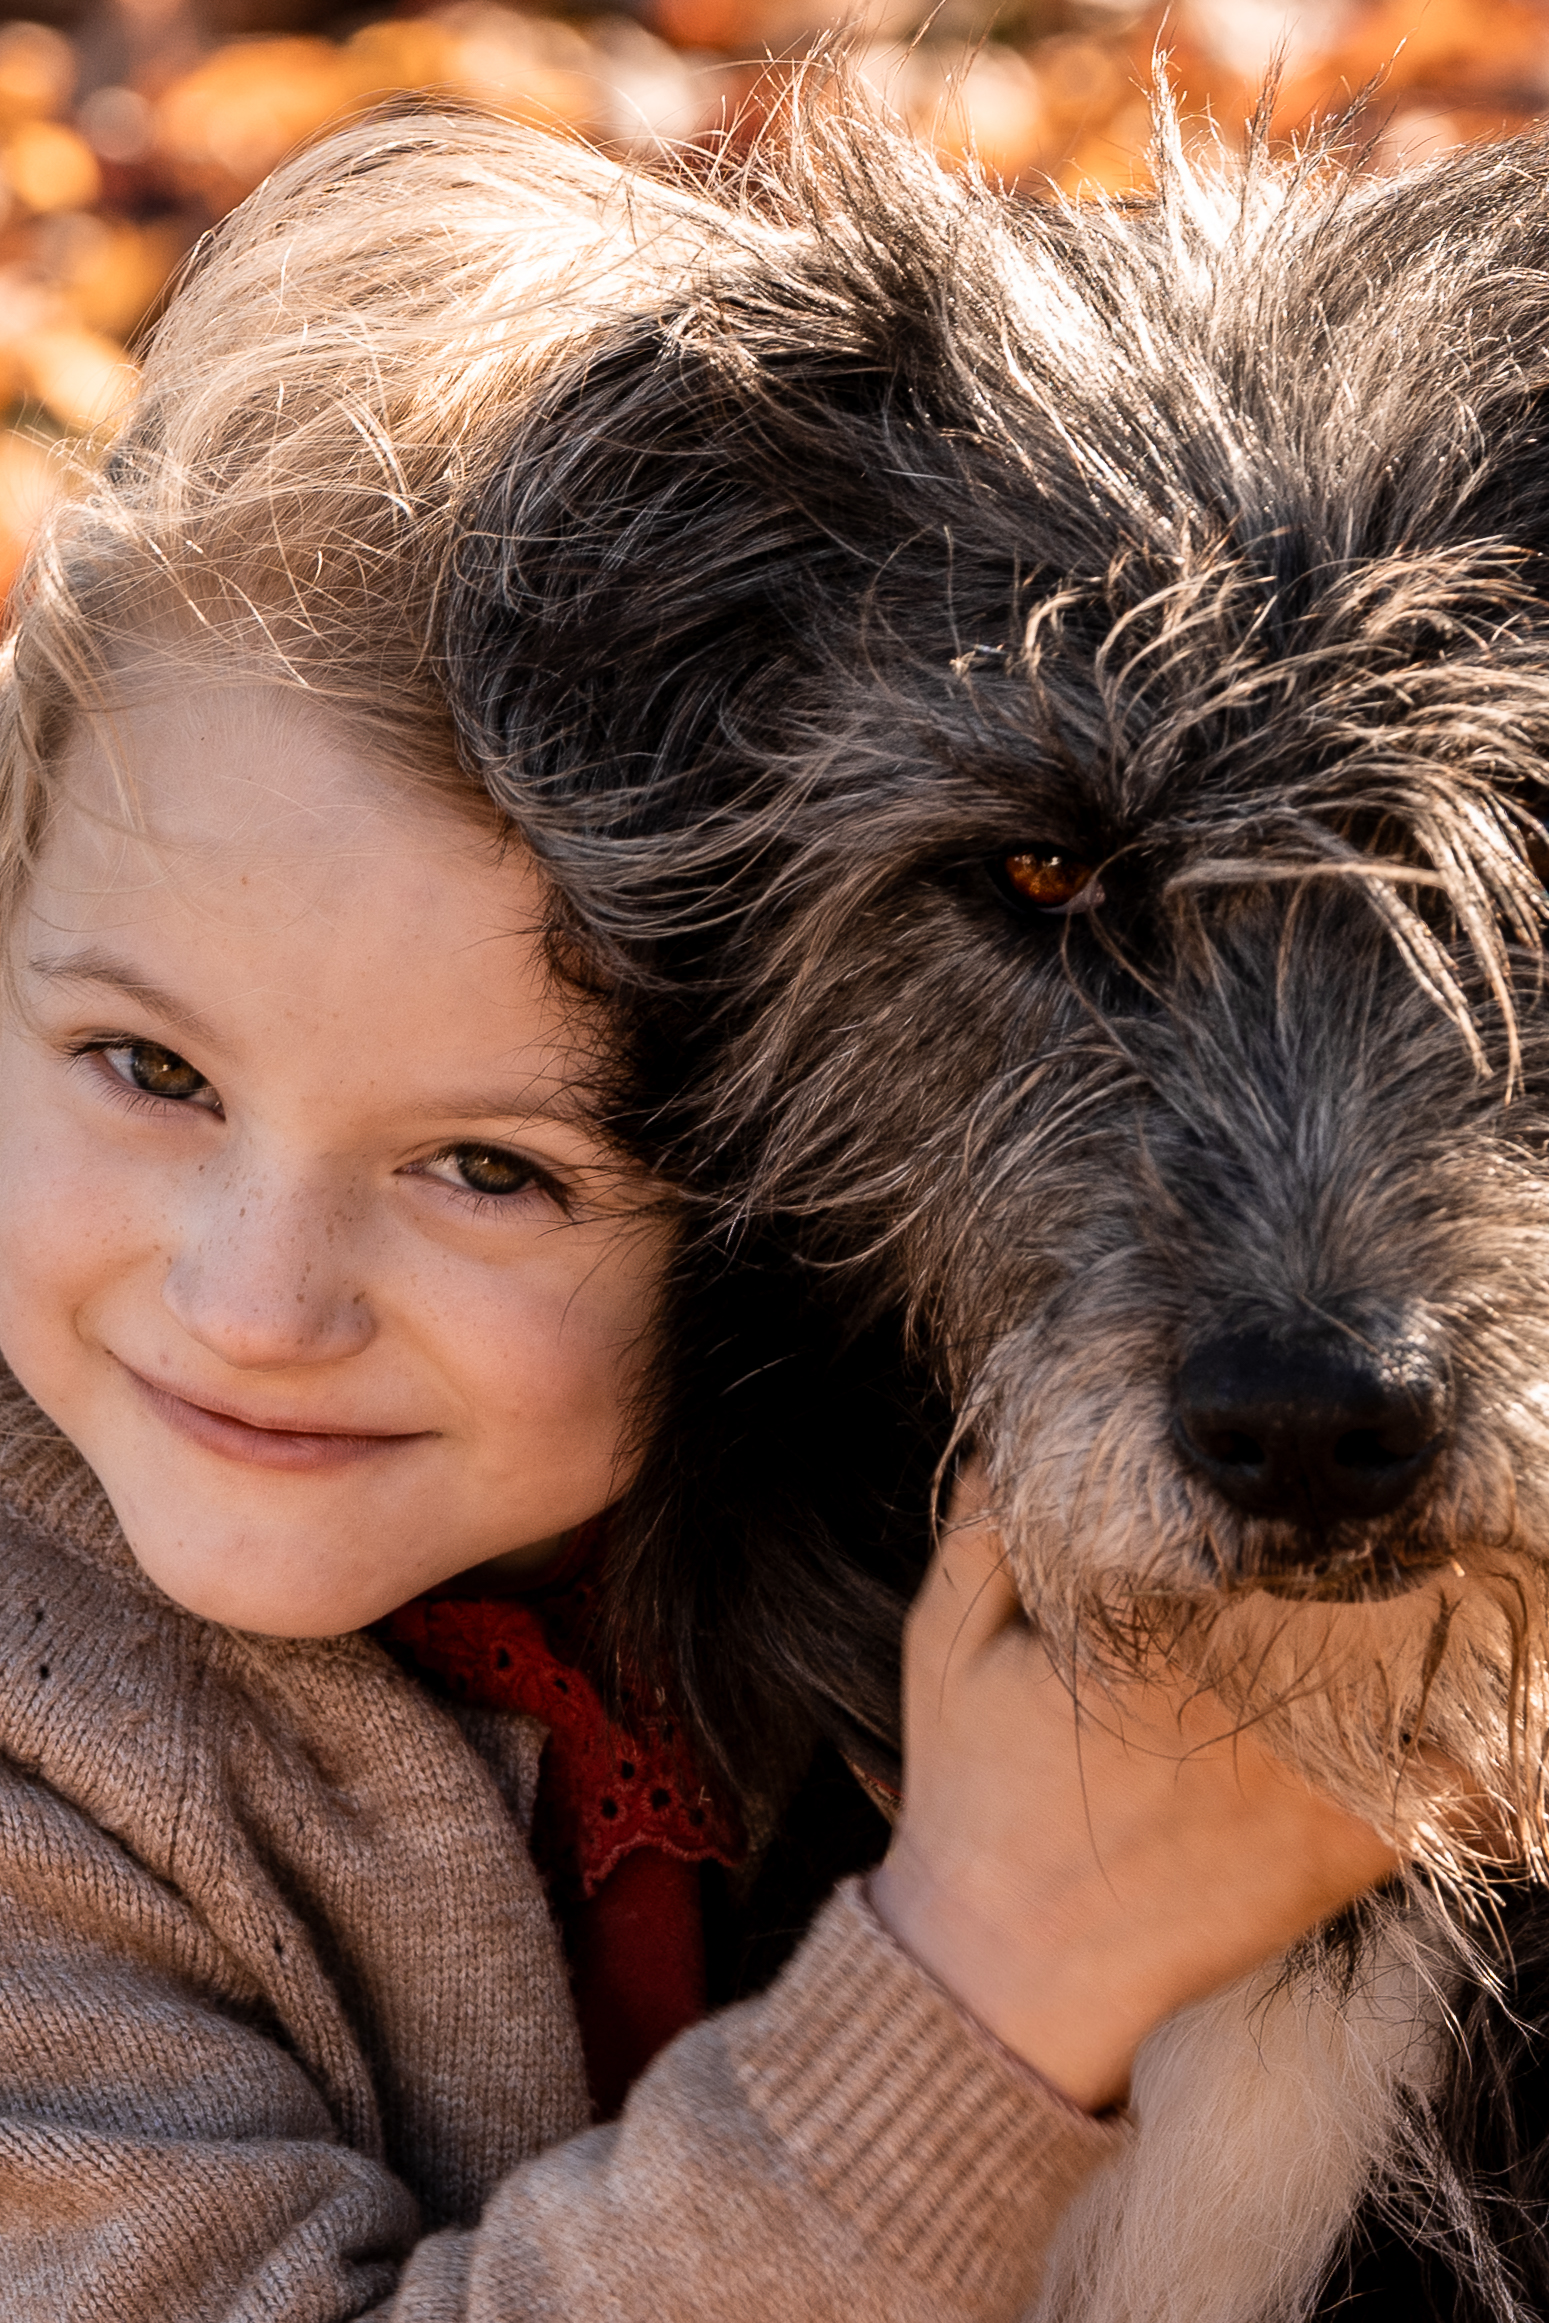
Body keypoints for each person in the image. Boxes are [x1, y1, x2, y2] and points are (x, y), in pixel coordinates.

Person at [0, 104, 1394, 2320]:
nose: (249, 1302)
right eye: (149, 1072)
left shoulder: (811, 1471)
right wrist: (994, 1983)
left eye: (493, 1167)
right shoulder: (39, 1756)